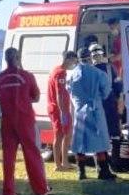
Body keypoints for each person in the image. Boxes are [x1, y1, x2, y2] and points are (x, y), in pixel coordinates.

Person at [0, 47, 52, 195]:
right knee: (32, 154)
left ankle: (8, 192)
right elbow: (36, 97)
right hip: (25, 118)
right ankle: (40, 189)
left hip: (7, 120)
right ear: (18, 58)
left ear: (6, 59)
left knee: (8, 157)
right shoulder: (27, 76)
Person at [69, 47, 116, 181]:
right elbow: (106, 91)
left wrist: (79, 102)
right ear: (89, 57)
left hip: (80, 111)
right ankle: (103, 171)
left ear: (78, 58)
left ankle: (81, 172)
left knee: (80, 142)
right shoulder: (98, 73)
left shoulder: (73, 74)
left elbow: (70, 92)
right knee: (99, 141)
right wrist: (97, 97)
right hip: (95, 109)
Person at [90, 43, 122, 164]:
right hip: (109, 105)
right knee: (114, 134)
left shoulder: (89, 70)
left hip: (99, 106)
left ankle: (102, 163)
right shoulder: (110, 68)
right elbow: (118, 87)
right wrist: (120, 103)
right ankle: (114, 163)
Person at [47, 51, 78, 172]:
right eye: (74, 60)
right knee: (59, 135)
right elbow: (59, 93)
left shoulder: (58, 70)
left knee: (68, 133)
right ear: (68, 59)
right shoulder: (60, 73)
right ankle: (58, 164)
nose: (75, 63)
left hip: (62, 108)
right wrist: (62, 112)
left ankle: (65, 161)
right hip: (58, 108)